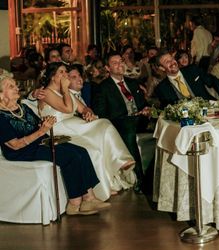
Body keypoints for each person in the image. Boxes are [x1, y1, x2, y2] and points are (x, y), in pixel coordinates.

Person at [0, 73, 109, 216]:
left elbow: (37, 124)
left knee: (81, 151)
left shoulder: (22, 108)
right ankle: (74, 203)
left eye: (15, 85)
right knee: (70, 156)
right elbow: (15, 145)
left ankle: (89, 198)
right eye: (11, 87)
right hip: (23, 151)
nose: (16, 88)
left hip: (39, 143)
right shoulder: (1, 117)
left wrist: (45, 122)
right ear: (1, 95)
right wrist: (42, 131)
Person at [38, 63, 136, 200]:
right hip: (59, 130)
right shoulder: (47, 92)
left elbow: (83, 108)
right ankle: (103, 184)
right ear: (52, 77)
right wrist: (66, 89)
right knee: (93, 147)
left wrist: (87, 113)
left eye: (66, 72)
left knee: (104, 123)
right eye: (61, 72)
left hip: (75, 126)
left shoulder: (66, 93)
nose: (65, 75)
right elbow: (66, 109)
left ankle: (120, 162)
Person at [94, 52, 151, 193]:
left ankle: (156, 175)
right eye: (115, 63)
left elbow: (143, 103)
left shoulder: (132, 82)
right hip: (120, 123)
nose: (120, 65)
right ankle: (139, 178)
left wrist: (145, 110)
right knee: (129, 128)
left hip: (140, 120)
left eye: (121, 61)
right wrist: (127, 116)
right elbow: (102, 114)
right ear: (107, 68)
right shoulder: (102, 88)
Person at [154, 50, 219, 108]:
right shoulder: (161, 88)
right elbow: (166, 110)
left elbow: (213, 80)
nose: (172, 62)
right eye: (167, 62)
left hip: (209, 109)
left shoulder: (193, 70)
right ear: (162, 68)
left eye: (172, 59)